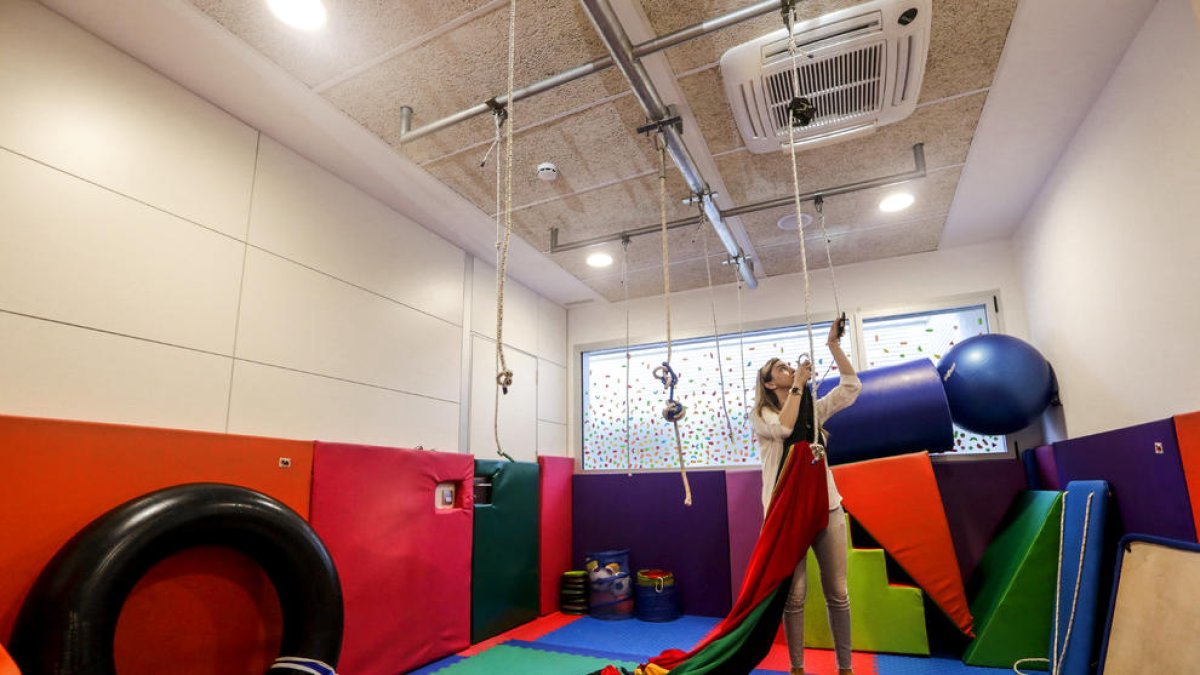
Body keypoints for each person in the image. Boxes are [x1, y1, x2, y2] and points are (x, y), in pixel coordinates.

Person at [750, 317, 861, 675]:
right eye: (779, 368)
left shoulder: (815, 409)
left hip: (826, 507)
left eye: (788, 364)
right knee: (794, 598)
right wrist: (798, 384)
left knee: (838, 593)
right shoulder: (761, 415)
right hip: (785, 514)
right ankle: (797, 668)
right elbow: (783, 428)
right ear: (769, 383)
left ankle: (845, 668)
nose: (787, 367)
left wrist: (833, 345)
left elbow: (851, 387)